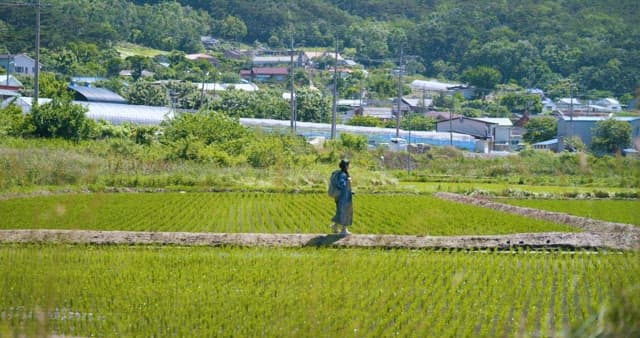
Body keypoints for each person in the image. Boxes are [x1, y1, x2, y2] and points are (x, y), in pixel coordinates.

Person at [330, 159, 353, 235]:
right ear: (346, 166)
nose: (349, 166)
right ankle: (344, 230)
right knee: (345, 212)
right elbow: (341, 184)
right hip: (343, 198)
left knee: (340, 211)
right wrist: (348, 181)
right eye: (348, 165)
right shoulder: (343, 174)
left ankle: (335, 226)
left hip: (339, 197)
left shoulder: (339, 173)